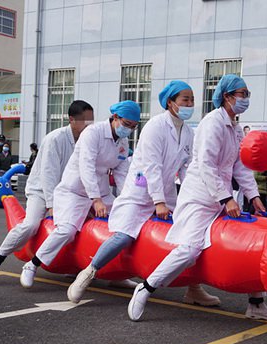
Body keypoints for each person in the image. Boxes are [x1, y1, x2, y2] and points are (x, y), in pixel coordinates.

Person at [127, 74, 267, 322]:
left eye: (247, 94)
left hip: (221, 197)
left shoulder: (234, 126)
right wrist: (226, 199)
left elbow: (240, 167)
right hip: (200, 198)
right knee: (189, 251)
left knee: (253, 243)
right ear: (227, 96)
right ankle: (145, 288)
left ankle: (256, 304)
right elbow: (207, 165)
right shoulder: (211, 123)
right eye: (242, 94)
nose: (246, 99)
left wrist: (253, 195)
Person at [68, 82, 220, 307]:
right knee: (124, 236)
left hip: (167, 192)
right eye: (184, 100)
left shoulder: (188, 133)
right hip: (140, 192)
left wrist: (191, 195)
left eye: (191, 100)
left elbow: (187, 167)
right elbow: (152, 166)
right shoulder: (155, 127)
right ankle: (89, 272)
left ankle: (194, 289)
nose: (189, 104)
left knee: (189, 236)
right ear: (170, 102)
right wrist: (158, 202)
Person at [18, 100, 139, 288]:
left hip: (101, 191)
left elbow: (122, 173)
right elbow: (87, 167)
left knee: (124, 221)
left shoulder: (122, 142)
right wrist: (96, 200)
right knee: (67, 230)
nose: (129, 129)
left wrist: (128, 200)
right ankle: (32, 265)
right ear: (115, 118)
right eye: (127, 124)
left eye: (133, 126)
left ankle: (116, 274)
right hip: (74, 191)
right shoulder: (93, 133)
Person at [0, 101, 95, 280]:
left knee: (84, 225)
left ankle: (73, 267)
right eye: (85, 121)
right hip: (41, 190)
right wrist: (51, 204)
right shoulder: (55, 138)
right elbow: (48, 174)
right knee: (31, 224)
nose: (89, 125)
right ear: (71, 119)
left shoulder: (88, 139)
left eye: (92, 121)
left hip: (69, 192)